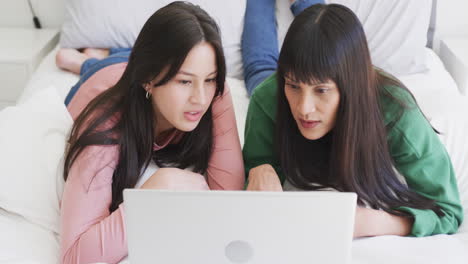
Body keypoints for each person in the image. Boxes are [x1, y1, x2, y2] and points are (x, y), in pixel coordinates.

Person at [242, 0, 463, 238]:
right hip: (270, 81)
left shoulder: (396, 112)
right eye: (293, 86)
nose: (303, 109)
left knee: (322, 47)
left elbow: (447, 210)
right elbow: (253, 173)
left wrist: (377, 223)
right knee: (260, 67)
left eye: (321, 90)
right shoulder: (269, 98)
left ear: (350, 88)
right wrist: (259, 171)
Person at [59, 2, 244, 263]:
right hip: (99, 80)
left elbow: (229, 203)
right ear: (149, 79)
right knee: (101, 68)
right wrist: (154, 191)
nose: (200, 98)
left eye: (210, 79)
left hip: (135, 71)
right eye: (184, 81)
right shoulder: (104, 125)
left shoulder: (214, 95)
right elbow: (75, 256)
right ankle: (85, 61)